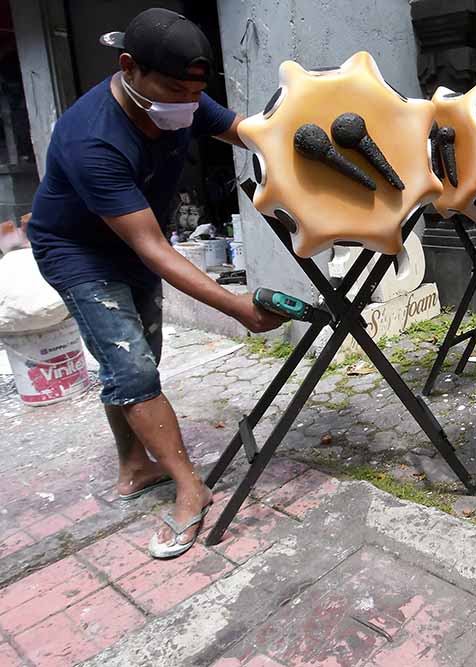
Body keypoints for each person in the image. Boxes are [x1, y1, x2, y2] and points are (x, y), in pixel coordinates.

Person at [27, 8, 286, 559]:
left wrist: (299, 145)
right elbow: (152, 248)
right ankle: (189, 485)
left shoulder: (181, 98)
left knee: (139, 358)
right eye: (175, 89)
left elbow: (242, 130)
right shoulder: (90, 138)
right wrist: (235, 307)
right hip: (79, 253)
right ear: (128, 67)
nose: (188, 104)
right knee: (132, 366)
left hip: (136, 239)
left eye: (195, 92)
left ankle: (133, 466)